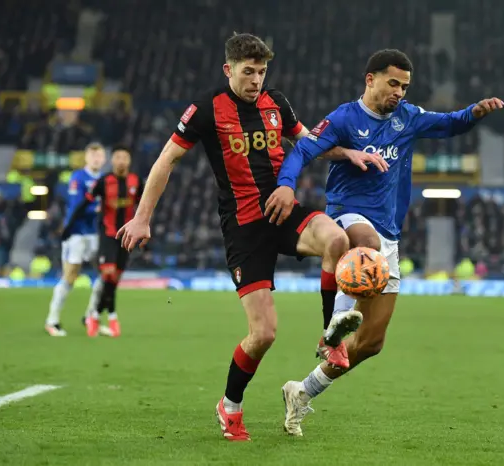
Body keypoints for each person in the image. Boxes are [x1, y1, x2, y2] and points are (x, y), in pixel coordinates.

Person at [115, 33, 387, 442]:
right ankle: (230, 405)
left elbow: (309, 141)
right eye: (248, 72)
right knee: (264, 334)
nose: (256, 80)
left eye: (261, 72)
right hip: (244, 228)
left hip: (284, 210)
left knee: (336, 240)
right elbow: (166, 160)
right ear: (229, 70)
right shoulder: (206, 109)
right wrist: (141, 218)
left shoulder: (276, 102)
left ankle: (330, 335)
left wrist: (347, 153)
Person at [265, 48, 504, 436]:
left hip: (388, 236)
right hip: (349, 216)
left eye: (405, 86)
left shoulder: (407, 117)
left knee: (371, 344)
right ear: (370, 79)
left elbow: (449, 124)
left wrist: (474, 112)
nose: (399, 92)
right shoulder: (345, 117)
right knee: (364, 239)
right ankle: (333, 325)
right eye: (393, 83)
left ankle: (301, 391)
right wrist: (287, 186)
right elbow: (304, 149)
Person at [63, 145, 144, 338]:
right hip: (108, 235)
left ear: (129, 160)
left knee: (114, 279)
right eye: (118, 157)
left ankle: (95, 315)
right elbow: (84, 204)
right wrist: (69, 226)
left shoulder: (136, 181)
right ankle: (113, 316)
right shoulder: (103, 181)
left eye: (125, 157)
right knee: (107, 274)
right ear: (112, 160)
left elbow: (144, 206)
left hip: (127, 237)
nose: (121, 161)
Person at [45, 142, 105, 337]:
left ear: (103, 159)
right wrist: (98, 208)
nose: (96, 159)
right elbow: (76, 205)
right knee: (70, 274)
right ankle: (52, 320)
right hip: (76, 233)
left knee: (105, 274)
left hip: (94, 233)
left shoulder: (105, 180)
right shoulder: (78, 177)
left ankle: (91, 316)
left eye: (99, 156)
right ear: (86, 158)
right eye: (93, 155)